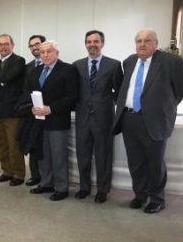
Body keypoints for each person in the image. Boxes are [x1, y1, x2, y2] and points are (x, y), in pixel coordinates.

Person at [113, 28, 183, 213]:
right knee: (135, 162)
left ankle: (157, 199)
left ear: (156, 43)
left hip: (155, 120)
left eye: (147, 40)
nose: (142, 44)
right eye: (139, 41)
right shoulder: (128, 62)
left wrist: (162, 108)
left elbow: (179, 91)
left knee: (155, 162)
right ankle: (140, 195)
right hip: (129, 118)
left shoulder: (171, 62)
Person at [73, 30, 123, 203]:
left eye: (96, 41)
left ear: (102, 43)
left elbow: (119, 93)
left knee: (103, 155)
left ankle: (102, 189)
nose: (92, 44)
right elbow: (74, 92)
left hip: (104, 119)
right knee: (83, 155)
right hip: (83, 118)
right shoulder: (77, 65)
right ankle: (84, 187)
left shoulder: (114, 65)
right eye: (89, 41)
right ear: (85, 44)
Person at [26, 41, 78, 201]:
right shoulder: (35, 71)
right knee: (43, 154)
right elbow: (29, 93)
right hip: (39, 120)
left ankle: (61, 188)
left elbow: (71, 97)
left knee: (58, 155)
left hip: (57, 120)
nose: (45, 55)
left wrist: (50, 109)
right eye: (42, 52)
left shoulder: (68, 70)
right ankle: (46, 182)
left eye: (49, 51)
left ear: (57, 53)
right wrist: (32, 107)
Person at [0, 34, 26, 186]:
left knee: (14, 145)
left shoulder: (19, 61)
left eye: (6, 44)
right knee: (1, 144)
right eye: (0, 44)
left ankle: (19, 174)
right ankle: (7, 171)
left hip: (12, 112)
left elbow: (9, 76)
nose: (3, 47)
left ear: (12, 45)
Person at [24, 34, 45, 186]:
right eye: (31, 46)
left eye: (37, 44)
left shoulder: (56, 64)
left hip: (49, 112)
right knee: (33, 144)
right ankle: (35, 175)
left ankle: (48, 176)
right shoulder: (28, 67)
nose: (34, 47)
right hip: (32, 113)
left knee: (47, 146)